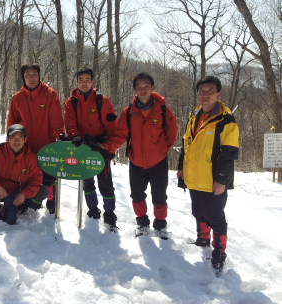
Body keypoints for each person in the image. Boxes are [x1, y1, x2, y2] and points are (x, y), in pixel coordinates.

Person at [100, 72, 178, 239]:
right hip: (136, 161)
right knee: (137, 194)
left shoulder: (163, 110)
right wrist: (107, 147)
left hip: (158, 161)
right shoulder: (128, 112)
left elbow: (172, 134)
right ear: (134, 89)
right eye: (139, 87)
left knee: (159, 195)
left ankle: (160, 225)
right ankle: (142, 223)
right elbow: (120, 134)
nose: (143, 90)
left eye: (146, 87)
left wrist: (162, 150)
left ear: (152, 88)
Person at [177, 76, 239, 273]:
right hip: (194, 177)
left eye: (210, 91)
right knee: (198, 212)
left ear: (218, 94)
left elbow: (229, 154)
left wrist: (222, 180)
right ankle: (203, 237)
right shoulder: (193, 116)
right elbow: (186, 145)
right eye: (201, 91)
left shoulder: (226, 120)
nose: (205, 95)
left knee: (216, 218)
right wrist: (181, 168)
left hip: (213, 181)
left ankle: (219, 252)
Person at [6, 63, 70, 215]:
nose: (31, 78)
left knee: (48, 177)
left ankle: (51, 200)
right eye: (27, 75)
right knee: (26, 176)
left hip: (46, 143)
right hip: (24, 146)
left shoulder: (50, 94)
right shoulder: (17, 98)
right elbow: (12, 123)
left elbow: (56, 119)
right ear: (23, 77)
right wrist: (10, 143)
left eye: (34, 74)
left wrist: (60, 135)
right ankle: (33, 201)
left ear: (39, 76)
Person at [64, 67, 118, 228]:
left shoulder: (102, 100)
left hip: (100, 147)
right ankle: (93, 209)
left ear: (93, 81)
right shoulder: (71, 101)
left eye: (87, 79)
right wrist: (75, 136)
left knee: (105, 183)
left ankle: (109, 213)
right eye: (81, 80)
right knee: (87, 182)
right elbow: (70, 123)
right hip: (81, 146)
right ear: (77, 82)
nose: (84, 83)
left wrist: (109, 147)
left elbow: (112, 126)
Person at [0, 124, 48, 225]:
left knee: (43, 191)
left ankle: (22, 207)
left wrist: (24, 194)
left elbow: (36, 180)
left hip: (19, 192)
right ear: (7, 138)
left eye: (20, 137)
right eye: (13, 137)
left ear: (25, 139)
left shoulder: (32, 158)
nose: (16, 141)